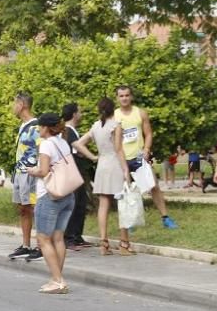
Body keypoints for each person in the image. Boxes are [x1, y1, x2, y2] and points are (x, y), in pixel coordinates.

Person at [73, 97, 135, 256]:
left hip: (102, 164)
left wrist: (93, 157)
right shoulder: (115, 125)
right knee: (122, 204)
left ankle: (103, 243)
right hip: (115, 164)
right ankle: (124, 243)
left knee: (103, 204)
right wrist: (126, 170)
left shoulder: (95, 126)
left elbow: (78, 143)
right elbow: (119, 149)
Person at [26, 113, 75, 294]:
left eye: (39, 126)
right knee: (58, 238)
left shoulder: (46, 144)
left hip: (49, 195)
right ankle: (56, 278)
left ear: (46, 128)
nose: (38, 129)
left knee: (43, 239)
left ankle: (58, 280)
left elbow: (44, 171)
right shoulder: (63, 142)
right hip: (67, 194)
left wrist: (33, 171)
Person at [116, 85, 178, 228]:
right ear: (117, 98)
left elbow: (148, 133)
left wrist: (147, 149)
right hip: (122, 158)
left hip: (138, 157)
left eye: (127, 95)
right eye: (121, 96)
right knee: (125, 190)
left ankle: (165, 218)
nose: (124, 98)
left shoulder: (140, 113)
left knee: (153, 186)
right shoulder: (115, 116)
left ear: (131, 97)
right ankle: (128, 222)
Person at [9, 92, 42, 261]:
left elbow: (41, 150)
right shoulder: (23, 126)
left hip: (30, 173)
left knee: (34, 207)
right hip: (20, 172)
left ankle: (40, 246)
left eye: (15, 103)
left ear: (22, 104)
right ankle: (26, 245)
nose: (13, 107)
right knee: (23, 208)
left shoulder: (35, 127)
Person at [62, 103, 92, 250]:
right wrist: (93, 157)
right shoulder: (69, 130)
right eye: (79, 112)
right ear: (74, 114)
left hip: (76, 170)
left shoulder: (70, 130)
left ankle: (77, 236)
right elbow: (78, 146)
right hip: (72, 171)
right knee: (74, 204)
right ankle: (69, 238)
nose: (81, 114)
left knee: (81, 203)